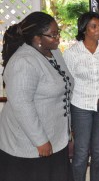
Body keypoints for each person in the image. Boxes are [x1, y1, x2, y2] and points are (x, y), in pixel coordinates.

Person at [0, 11, 74, 181]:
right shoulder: (24, 61)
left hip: (55, 136)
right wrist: (40, 140)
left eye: (58, 33)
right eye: (53, 35)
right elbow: (21, 104)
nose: (58, 38)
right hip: (29, 144)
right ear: (37, 38)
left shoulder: (54, 53)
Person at [64, 12, 99, 181]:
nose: (98, 30)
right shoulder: (72, 53)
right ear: (84, 29)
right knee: (81, 152)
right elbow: (67, 83)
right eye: (93, 26)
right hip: (80, 106)